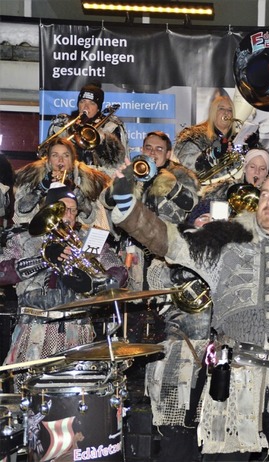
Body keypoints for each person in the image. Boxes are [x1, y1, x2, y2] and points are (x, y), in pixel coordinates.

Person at [107, 169, 269, 460]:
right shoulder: (227, 239)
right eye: (265, 194)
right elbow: (171, 242)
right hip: (238, 383)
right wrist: (129, 208)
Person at [0, 183, 128, 389]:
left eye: (74, 210)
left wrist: (91, 282)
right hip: (34, 332)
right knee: (31, 399)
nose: (69, 215)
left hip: (77, 333)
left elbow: (119, 272)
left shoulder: (89, 239)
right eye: (63, 208)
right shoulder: (24, 239)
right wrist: (42, 259)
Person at [103, 131, 199, 292]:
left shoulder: (181, 175)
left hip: (166, 251)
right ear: (142, 150)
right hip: (133, 251)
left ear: (168, 154)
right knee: (134, 301)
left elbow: (192, 204)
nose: (152, 153)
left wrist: (171, 186)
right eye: (148, 148)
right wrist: (120, 184)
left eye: (159, 149)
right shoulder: (132, 171)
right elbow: (106, 201)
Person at [13, 137, 111, 228]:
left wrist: (75, 192)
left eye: (66, 155)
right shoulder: (32, 175)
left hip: (75, 233)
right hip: (40, 232)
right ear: (48, 160)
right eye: (55, 155)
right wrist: (40, 188)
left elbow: (91, 219)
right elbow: (21, 212)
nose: (61, 160)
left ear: (73, 159)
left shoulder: (88, 179)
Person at [45, 82, 127, 176]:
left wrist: (103, 140)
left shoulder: (112, 127)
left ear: (98, 108)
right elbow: (49, 156)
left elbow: (120, 162)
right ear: (78, 104)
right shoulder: (63, 125)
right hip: (68, 178)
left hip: (100, 179)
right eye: (82, 101)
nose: (86, 106)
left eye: (92, 103)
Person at [189, 147, 269, 227]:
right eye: (252, 167)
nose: (257, 172)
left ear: (267, 173)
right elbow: (199, 214)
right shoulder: (223, 188)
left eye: (262, 168)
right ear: (245, 168)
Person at [173, 94, 244, 182]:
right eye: (221, 108)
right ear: (213, 112)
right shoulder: (194, 136)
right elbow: (184, 164)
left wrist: (250, 147)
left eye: (230, 110)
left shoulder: (237, 139)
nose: (226, 112)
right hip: (203, 192)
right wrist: (212, 154)